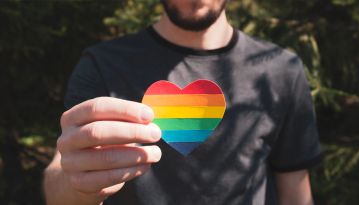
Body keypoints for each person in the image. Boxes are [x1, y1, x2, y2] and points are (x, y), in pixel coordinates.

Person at [43, 0, 322, 205]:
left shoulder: (281, 70)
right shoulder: (103, 64)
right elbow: (61, 175)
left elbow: (296, 193)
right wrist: (75, 184)